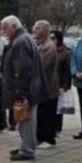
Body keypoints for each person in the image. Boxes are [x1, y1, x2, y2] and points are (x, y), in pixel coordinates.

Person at [3, 16, 49, 161]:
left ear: (13, 27)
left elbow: (22, 69)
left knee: (26, 118)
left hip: (28, 88)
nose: (4, 31)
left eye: (5, 28)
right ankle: (26, 145)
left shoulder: (20, 41)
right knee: (24, 119)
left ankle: (27, 150)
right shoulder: (25, 38)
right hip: (32, 86)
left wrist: (20, 92)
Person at [33, 20, 60, 148]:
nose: (34, 30)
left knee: (47, 113)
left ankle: (49, 139)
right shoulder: (39, 43)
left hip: (48, 86)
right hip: (41, 86)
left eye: (37, 28)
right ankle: (40, 137)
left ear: (45, 30)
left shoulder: (48, 46)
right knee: (41, 113)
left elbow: (42, 66)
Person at [50, 30, 72, 135]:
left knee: (58, 107)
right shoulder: (47, 50)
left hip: (59, 82)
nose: (51, 40)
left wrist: (66, 84)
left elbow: (67, 70)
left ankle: (57, 127)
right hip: (48, 83)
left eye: (53, 38)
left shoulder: (65, 52)